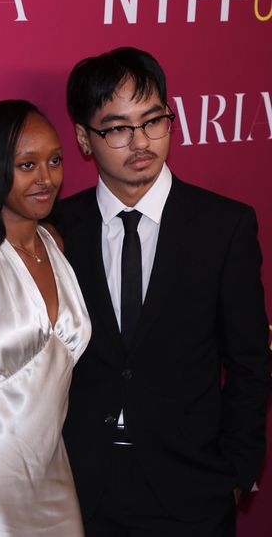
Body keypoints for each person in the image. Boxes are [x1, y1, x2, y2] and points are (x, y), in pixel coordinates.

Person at [56, 46, 271, 537]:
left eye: (154, 121)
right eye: (117, 128)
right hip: (83, 491)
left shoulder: (224, 226)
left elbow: (249, 361)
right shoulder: (59, 229)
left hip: (192, 490)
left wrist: (238, 470)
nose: (140, 142)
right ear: (85, 140)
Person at [0, 100, 91, 536]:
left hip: (52, 473)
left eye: (55, 161)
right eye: (27, 165)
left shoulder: (56, 244)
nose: (46, 178)